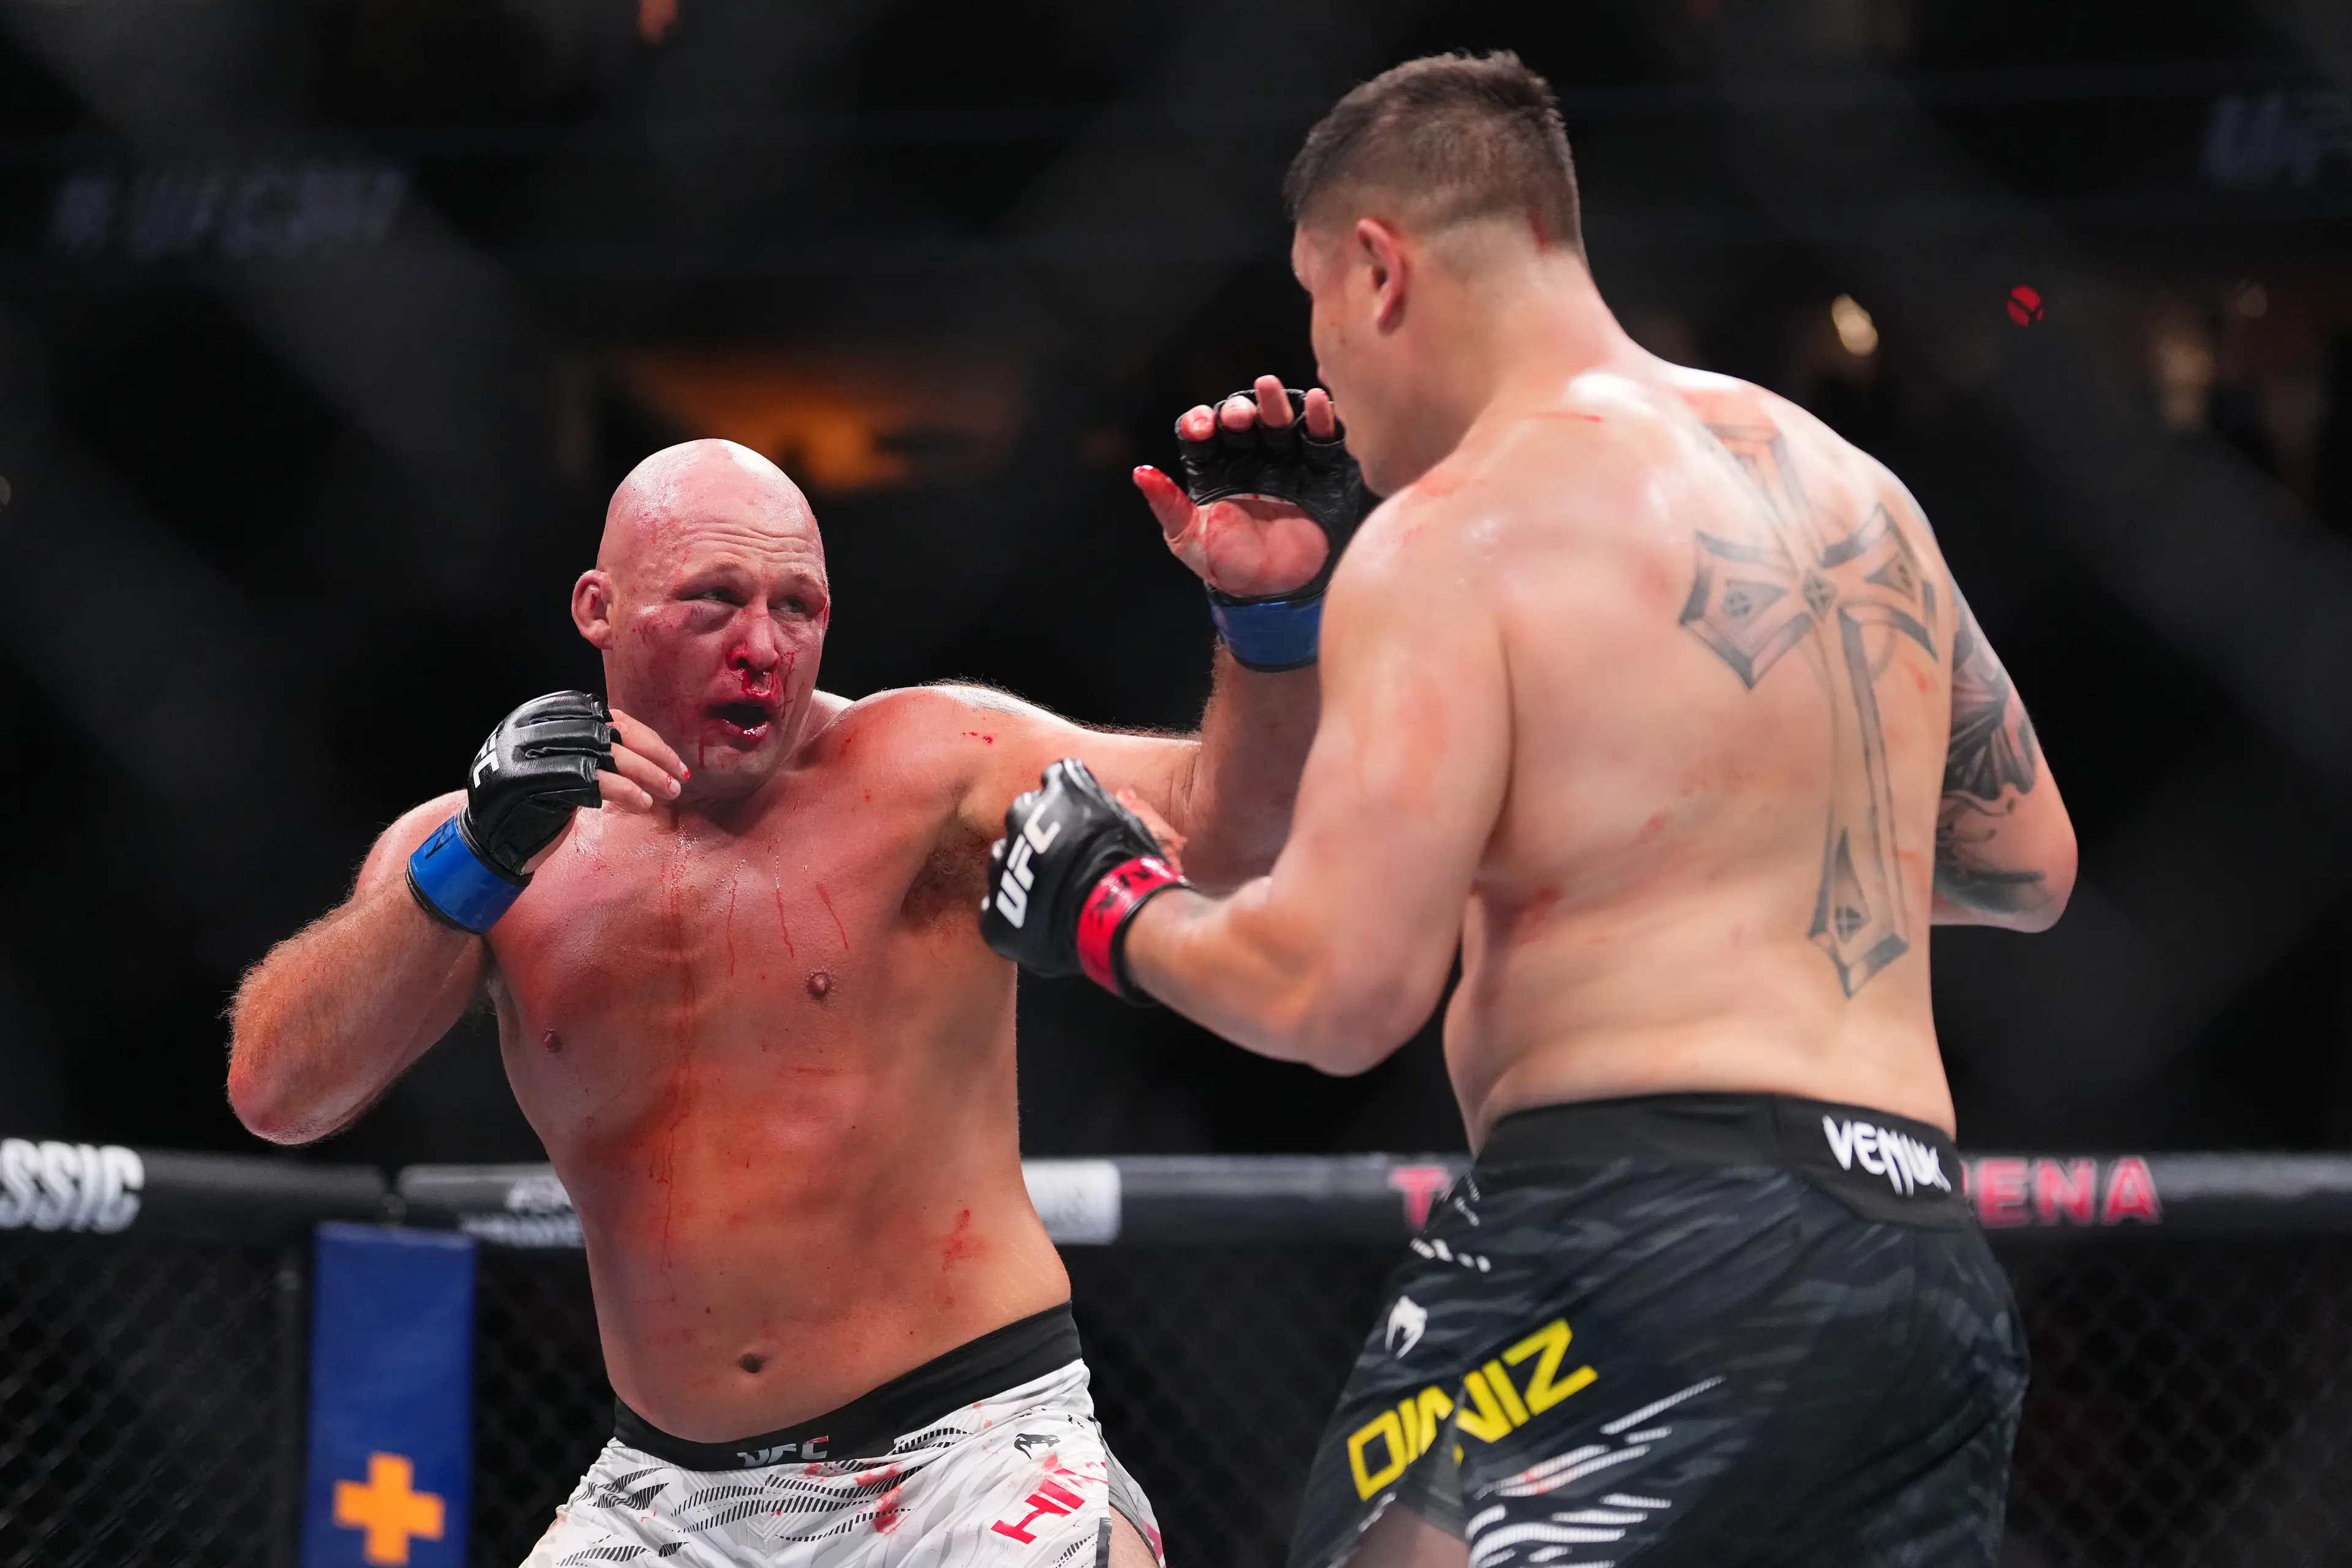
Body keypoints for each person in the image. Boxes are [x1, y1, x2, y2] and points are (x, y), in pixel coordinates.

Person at [982, 52, 2078, 1568]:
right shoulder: (1854, 492)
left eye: (1314, 311)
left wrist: (1107, 902)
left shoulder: (1453, 529)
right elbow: (2027, 863)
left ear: (1376, 270)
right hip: (1917, 1262)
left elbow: (1338, 988)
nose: (1336, 386)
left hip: (1634, 1234)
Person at [226, 398, 1357, 1567]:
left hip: (967, 1449)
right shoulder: (479, 854)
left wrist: (1270, 621)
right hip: (670, 1497)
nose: (761, 644)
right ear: (597, 611)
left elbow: (1233, 839)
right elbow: (280, 1091)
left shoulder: (928, 768)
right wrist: (472, 858)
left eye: (797, 608)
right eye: (713, 600)